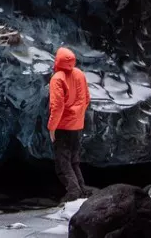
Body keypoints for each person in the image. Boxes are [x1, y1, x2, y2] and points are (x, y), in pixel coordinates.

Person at [48, 46, 91, 200]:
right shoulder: (79, 74)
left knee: (62, 163)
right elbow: (87, 98)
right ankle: (82, 189)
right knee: (74, 161)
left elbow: (57, 106)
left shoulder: (57, 78)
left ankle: (74, 192)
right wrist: (78, 116)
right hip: (77, 125)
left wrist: (52, 127)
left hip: (62, 126)